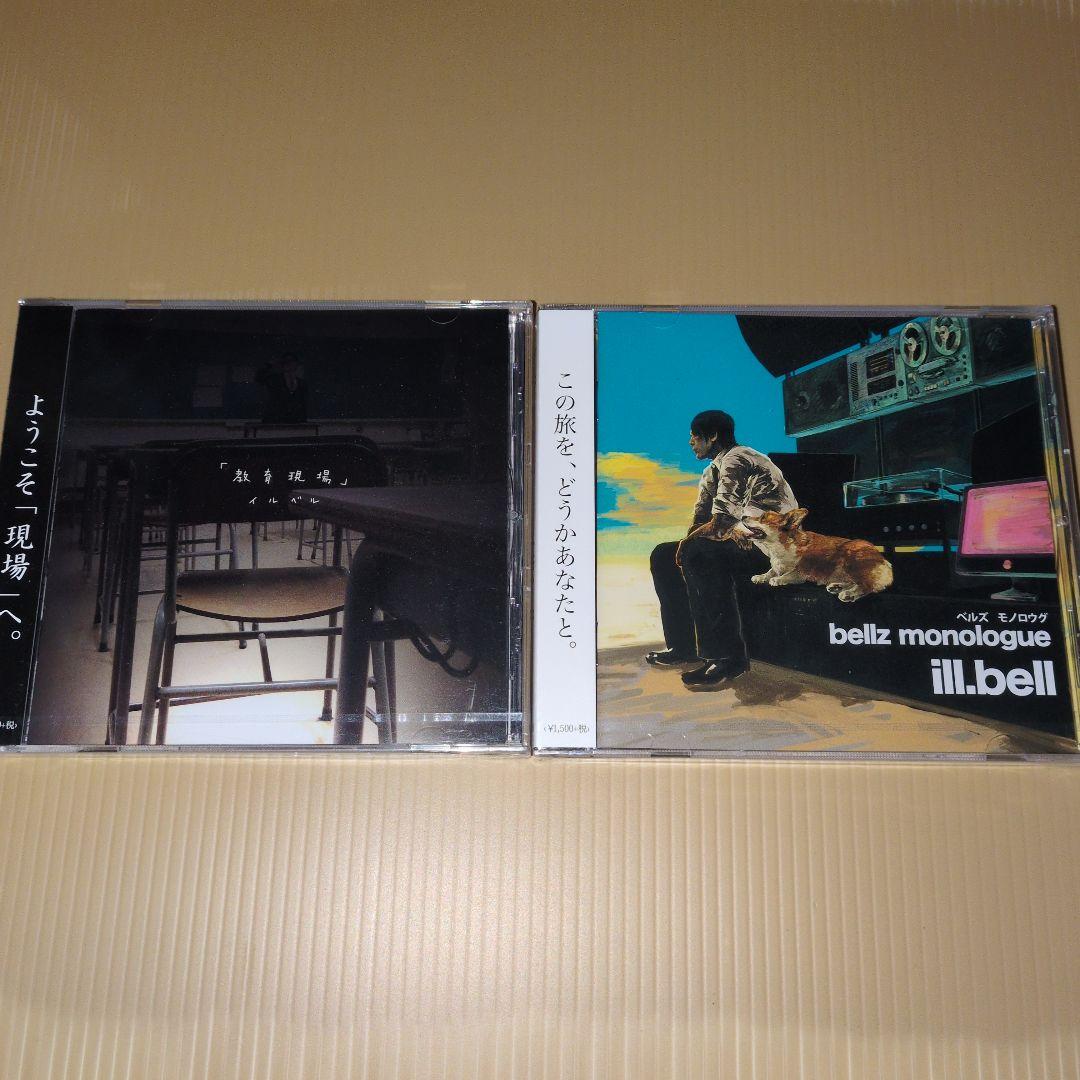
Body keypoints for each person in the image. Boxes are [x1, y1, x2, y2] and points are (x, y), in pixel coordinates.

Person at [645, 410, 797, 688]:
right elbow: (701, 522)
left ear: (712, 436)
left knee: (699, 551)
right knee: (664, 555)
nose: (690, 442)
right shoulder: (711, 471)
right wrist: (686, 545)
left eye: (695, 436)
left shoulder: (738, 458)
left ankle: (727, 658)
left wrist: (690, 545)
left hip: (772, 549)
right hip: (741, 541)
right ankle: (683, 647)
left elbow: (721, 523)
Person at [256, 353, 308, 423]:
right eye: (286, 362)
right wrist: (269, 365)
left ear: (296, 365)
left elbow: (302, 402)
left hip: (294, 420)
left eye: (291, 362)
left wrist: (302, 419)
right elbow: (259, 378)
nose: (289, 365)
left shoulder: (301, 383)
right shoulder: (275, 380)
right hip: (275, 420)